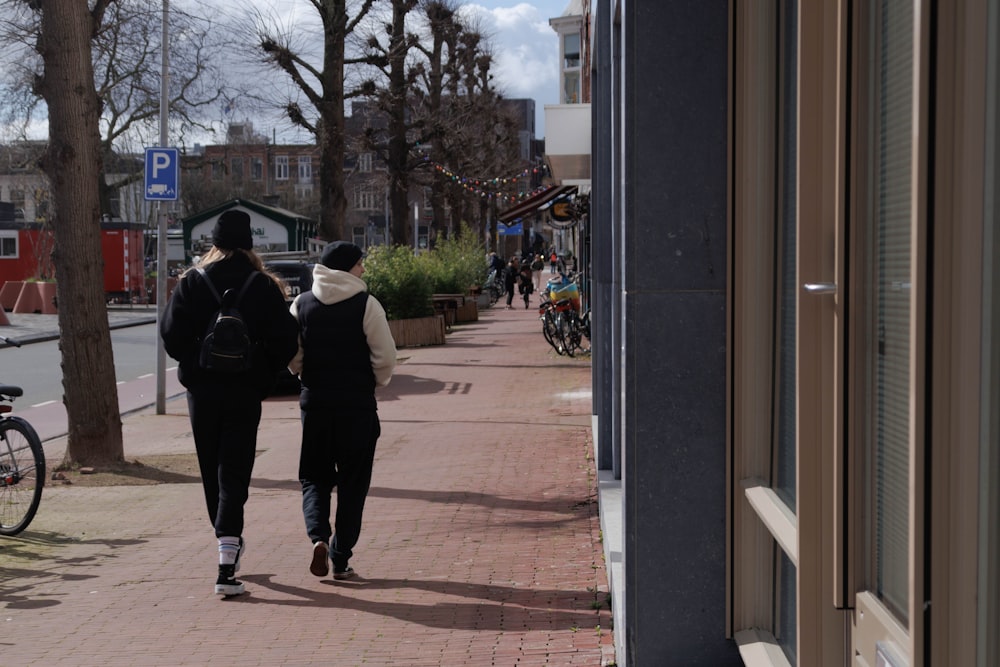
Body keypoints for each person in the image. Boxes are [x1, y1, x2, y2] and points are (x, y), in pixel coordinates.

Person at [160, 209, 299, 597]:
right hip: (244, 390)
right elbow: (287, 342)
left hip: (202, 392)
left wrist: (194, 363)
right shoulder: (264, 286)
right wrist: (261, 374)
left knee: (211, 467)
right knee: (235, 469)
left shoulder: (192, 282)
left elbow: (170, 336)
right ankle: (227, 552)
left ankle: (225, 543)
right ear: (250, 244)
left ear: (214, 243)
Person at [288, 241, 396, 581]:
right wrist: (374, 382)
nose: (363, 270)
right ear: (348, 267)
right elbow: (386, 356)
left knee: (314, 477)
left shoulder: (301, 304)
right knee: (354, 483)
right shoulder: (367, 305)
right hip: (356, 406)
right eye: (360, 264)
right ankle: (341, 555)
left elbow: (293, 354)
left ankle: (318, 536)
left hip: (316, 404)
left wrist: (302, 372)